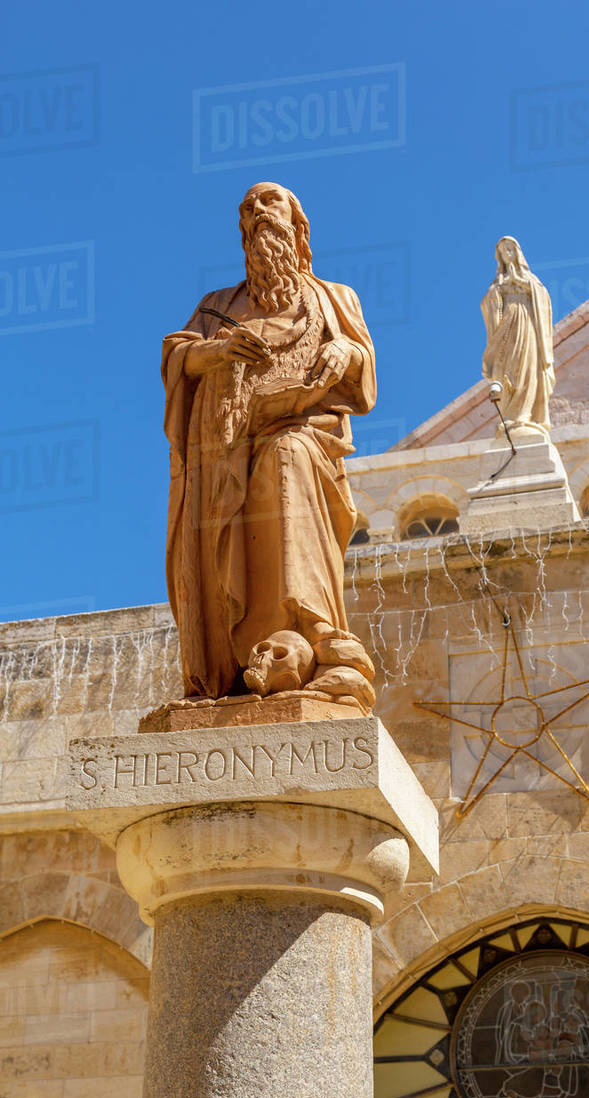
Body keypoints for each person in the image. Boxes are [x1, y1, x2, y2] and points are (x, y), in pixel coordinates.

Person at [162, 182, 376, 708]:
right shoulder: (218, 305)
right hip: (227, 449)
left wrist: (345, 353)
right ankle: (243, 661)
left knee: (289, 456)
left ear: (298, 226)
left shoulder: (334, 297)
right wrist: (218, 351)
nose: (257, 211)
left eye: (269, 202)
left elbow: (366, 375)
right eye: (247, 208)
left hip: (300, 433)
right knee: (230, 524)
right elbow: (175, 356)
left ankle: (317, 636)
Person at [481, 236, 555, 431]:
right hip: (507, 326)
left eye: (509, 250)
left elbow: (543, 298)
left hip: (527, 325)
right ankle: (510, 414)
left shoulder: (531, 280)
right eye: (503, 252)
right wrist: (498, 290)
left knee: (528, 366)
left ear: (517, 253)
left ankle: (526, 414)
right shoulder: (498, 281)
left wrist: (521, 283)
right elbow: (488, 302)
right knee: (508, 368)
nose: (507, 254)